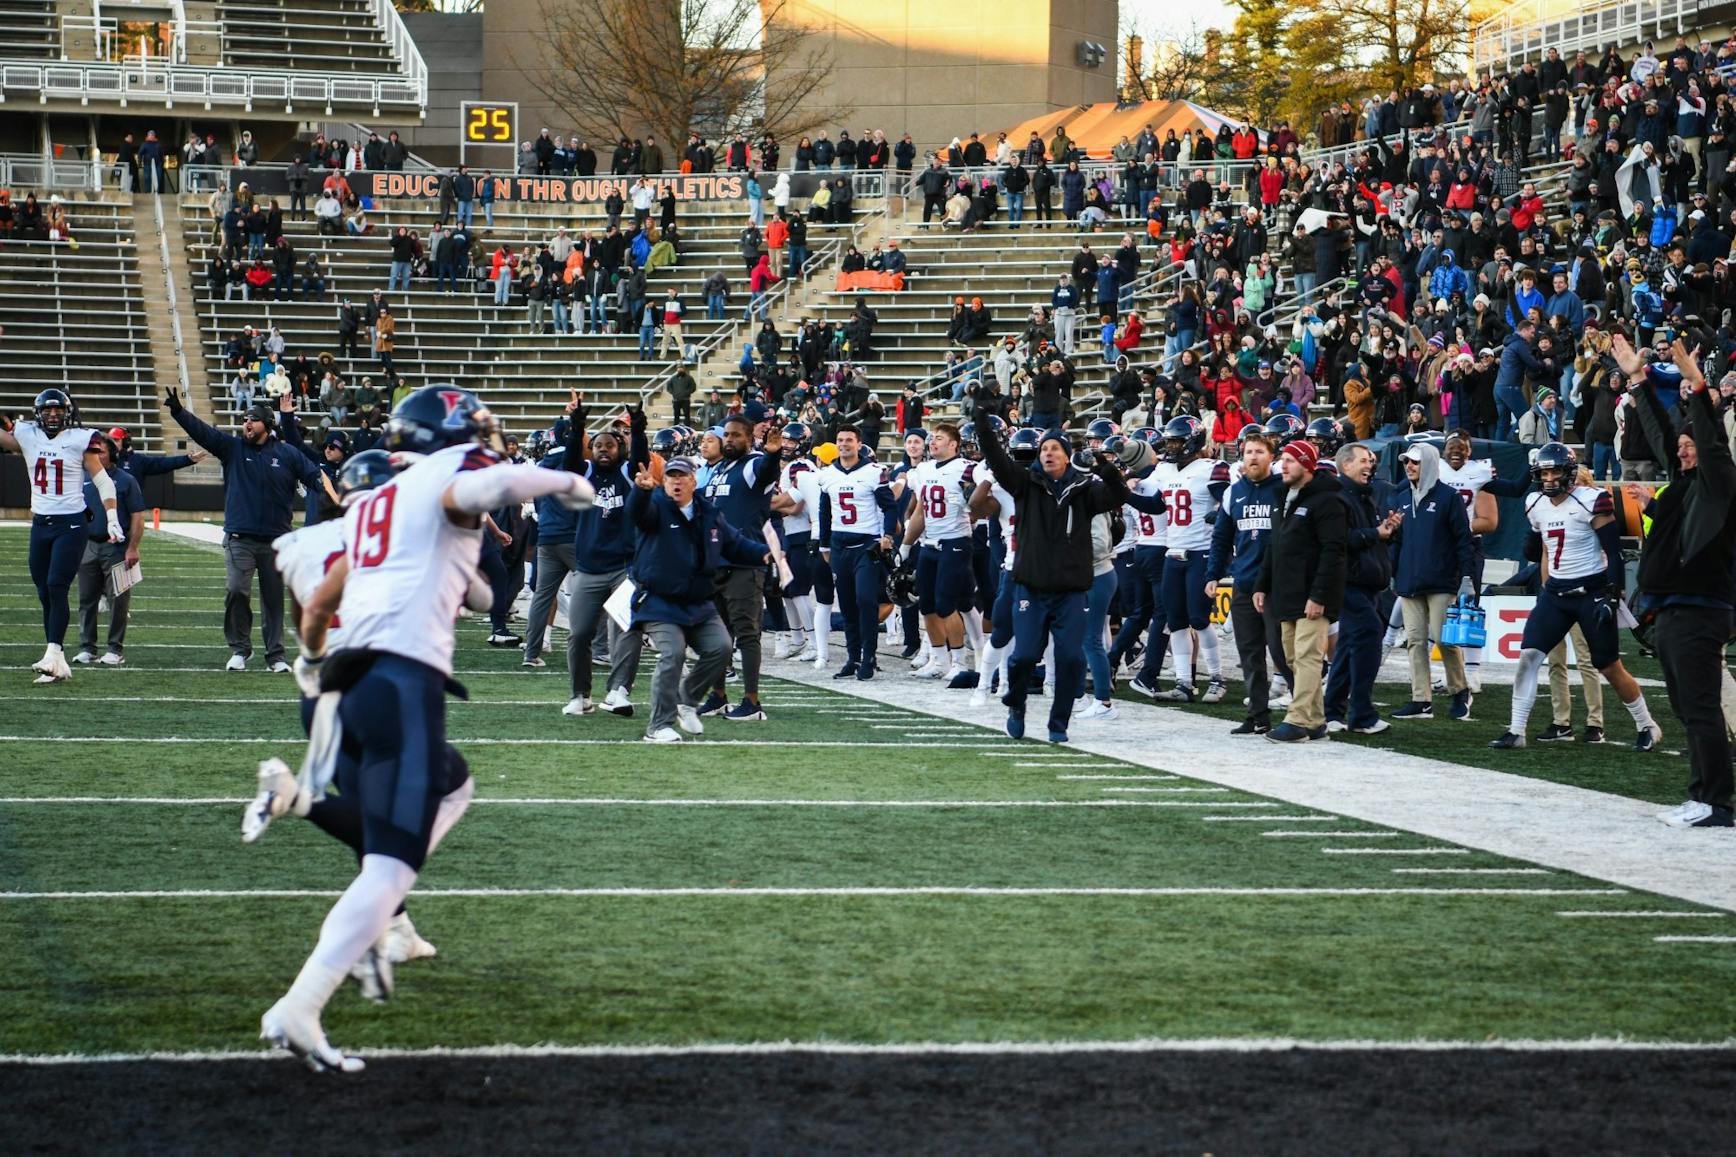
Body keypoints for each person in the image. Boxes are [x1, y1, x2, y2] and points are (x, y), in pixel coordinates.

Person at [248, 385, 595, 1073]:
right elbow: (492, 484)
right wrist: (566, 480)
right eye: (472, 430)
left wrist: (314, 666)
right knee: (389, 865)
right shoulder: (438, 482)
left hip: (346, 682)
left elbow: (318, 604)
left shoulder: (375, 505)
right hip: (401, 682)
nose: (482, 440)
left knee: (431, 800)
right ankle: (303, 1000)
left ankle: (377, 921)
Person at [1619, 338, 1736, 825]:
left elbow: (1707, 443)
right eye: (1681, 449)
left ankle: (1716, 804)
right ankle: (1702, 795)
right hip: (1670, 611)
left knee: (1702, 709)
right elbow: (1665, 434)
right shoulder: (1683, 486)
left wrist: (1698, 385)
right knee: (1690, 710)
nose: (1683, 452)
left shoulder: (1720, 483)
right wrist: (1639, 382)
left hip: (1698, 609)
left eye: (1692, 448)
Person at [1488, 442, 1663, 754]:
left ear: (1568, 473)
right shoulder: (1534, 503)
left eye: (1555, 471)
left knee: (1608, 665)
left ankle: (1647, 724)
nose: (1549, 478)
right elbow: (1536, 548)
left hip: (1591, 592)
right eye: (1544, 472)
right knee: (1528, 656)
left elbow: (1613, 551)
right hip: (1555, 592)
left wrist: (1613, 594)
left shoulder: (1592, 499)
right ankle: (1516, 730)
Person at [973, 404, 1132, 742]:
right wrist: (981, 422)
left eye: (1054, 448)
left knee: (1071, 659)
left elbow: (1120, 494)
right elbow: (997, 460)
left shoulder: (1084, 489)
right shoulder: (1026, 483)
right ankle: (1016, 703)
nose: (1047, 454)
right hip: (1030, 586)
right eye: (1044, 449)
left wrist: (1102, 465)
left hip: (1071, 591)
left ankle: (1057, 725)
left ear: (1067, 455)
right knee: (1024, 655)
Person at [164, 387, 336, 672]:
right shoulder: (233, 448)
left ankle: (276, 655)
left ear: (267, 424)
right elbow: (205, 433)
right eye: (244, 418)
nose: (246, 423)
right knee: (236, 591)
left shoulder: (287, 454)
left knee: (273, 601)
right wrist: (180, 413)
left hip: (277, 541)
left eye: (253, 419)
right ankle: (240, 649)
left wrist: (330, 495)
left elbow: (314, 476)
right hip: (239, 539)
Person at [628, 455, 775, 742]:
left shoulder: (709, 513)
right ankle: (658, 725)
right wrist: (641, 491)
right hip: (660, 600)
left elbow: (734, 543)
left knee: (720, 648)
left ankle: (687, 699)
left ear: (694, 481)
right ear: (664, 481)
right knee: (672, 654)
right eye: (671, 476)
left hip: (697, 601)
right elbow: (637, 514)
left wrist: (763, 553)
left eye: (682, 476)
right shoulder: (655, 506)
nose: (676, 481)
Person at [0, 390, 124, 683]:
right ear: (38, 413)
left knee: (57, 585)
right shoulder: (27, 434)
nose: (53, 415)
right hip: (41, 524)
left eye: (58, 410)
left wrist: (112, 518)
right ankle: (58, 661)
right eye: (48, 410)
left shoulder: (81, 439)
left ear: (67, 412)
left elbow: (102, 480)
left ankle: (53, 652)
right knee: (45, 592)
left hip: (71, 523)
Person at [559, 394, 648, 717]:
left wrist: (637, 429)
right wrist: (577, 424)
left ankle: (619, 690)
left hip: (624, 568)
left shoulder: (627, 474)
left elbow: (640, 460)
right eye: (598, 446)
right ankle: (580, 695)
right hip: (587, 569)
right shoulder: (583, 475)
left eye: (610, 445)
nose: (604, 450)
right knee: (578, 634)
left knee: (627, 630)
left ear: (619, 449)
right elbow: (569, 463)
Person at [1254, 439, 1347, 743]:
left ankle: (1296, 720)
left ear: (1307, 465)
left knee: (1307, 658)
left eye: (1291, 460)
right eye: (1282, 460)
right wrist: (1262, 584)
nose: (1283, 465)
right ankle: (1316, 721)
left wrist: (1319, 595)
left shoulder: (1327, 501)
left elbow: (1333, 552)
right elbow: (1274, 546)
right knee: (1293, 658)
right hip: (1286, 593)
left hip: (1312, 594)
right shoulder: (1284, 498)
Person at [699, 413, 785, 720]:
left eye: (737, 435)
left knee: (747, 634)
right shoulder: (720, 468)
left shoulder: (752, 464)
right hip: (715, 562)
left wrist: (773, 455)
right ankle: (718, 695)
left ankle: (752, 701)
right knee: (716, 636)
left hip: (744, 563)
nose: (731, 440)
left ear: (750, 439)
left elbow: (764, 472)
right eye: (728, 435)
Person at [1387, 441, 1475, 722]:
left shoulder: (1449, 497)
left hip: (1441, 581)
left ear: (1429, 463)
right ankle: (1420, 699)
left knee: (1444, 639)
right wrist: (1393, 572)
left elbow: (1464, 540)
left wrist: (1467, 578)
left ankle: (1460, 690)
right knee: (1414, 640)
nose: (1409, 466)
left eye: (1415, 461)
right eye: (1406, 462)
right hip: (1409, 581)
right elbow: (1397, 541)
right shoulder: (1401, 497)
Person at [1208, 428, 1285, 734]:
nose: (1253, 457)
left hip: (1278, 584)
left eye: (1259, 452)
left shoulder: (1283, 487)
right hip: (1244, 582)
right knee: (1249, 653)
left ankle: (1308, 713)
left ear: (1272, 457)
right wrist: (1212, 574)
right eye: (1249, 451)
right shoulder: (1233, 491)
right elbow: (1221, 537)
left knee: (1282, 653)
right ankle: (1258, 715)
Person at [1150, 416, 1231, 703]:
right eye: (1169, 440)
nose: (1170, 446)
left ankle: (1218, 678)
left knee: (1199, 618)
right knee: (1176, 621)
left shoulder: (1212, 469)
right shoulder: (1164, 470)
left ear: (1192, 442)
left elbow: (1228, 503)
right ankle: (1184, 682)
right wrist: (1120, 490)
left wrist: (1218, 513)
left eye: (1176, 440)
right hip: (1173, 552)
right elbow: (1154, 505)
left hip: (1201, 552)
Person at [898, 423, 981, 681]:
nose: (933, 442)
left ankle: (959, 661)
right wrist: (906, 545)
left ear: (954, 444)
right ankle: (939, 660)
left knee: (947, 604)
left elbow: (982, 504)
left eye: (939, 438)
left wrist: (972, 513)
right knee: (927, 605)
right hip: (929, 543)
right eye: (932, 438)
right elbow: (921, 510)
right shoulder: (923, 469)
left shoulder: (968, 468)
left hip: (955, 542)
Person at [1322, 441, 1396, 735]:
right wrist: (1373, 533)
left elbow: (1365, 536)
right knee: (1368, 636)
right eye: (1363, 460)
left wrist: (1385, 531)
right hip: (1348, 581)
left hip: (1365, 582)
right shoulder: (1338, 496)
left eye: (1371, 460)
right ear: (1346, 464)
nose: (1370, 465)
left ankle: (1332, 711)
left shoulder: (1364, 496)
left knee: (1348, 646)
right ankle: (1362, 713)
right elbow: (1338, 538)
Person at [817, 425, 901, 679]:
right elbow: (825, 512)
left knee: (866, 600)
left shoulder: (874, 472)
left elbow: (889, 508)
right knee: (847, 604)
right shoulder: (827, 473)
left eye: (849, 440)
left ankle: (870, 656)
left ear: (858, 443)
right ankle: (853, 658)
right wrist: (824, 544)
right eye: (840, 440)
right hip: (840, 544)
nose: (844, 444)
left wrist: (887, 536)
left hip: (867, 544)